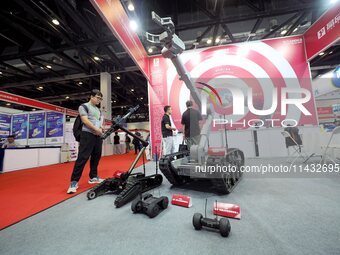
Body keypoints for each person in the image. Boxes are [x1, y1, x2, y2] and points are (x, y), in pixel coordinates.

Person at [67, 89, 104, 194]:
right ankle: (74, 182)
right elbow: (85, 120)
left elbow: (99, 122)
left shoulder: (98, 110)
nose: (99, 100)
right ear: (91, 96)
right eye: (98, 98)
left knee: (96, 156)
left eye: (101, 99)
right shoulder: (84, 106)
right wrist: (96, 129)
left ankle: (93, 177)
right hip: (87, 135)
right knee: (82, 158)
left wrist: (100, 129)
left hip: (97, 136)